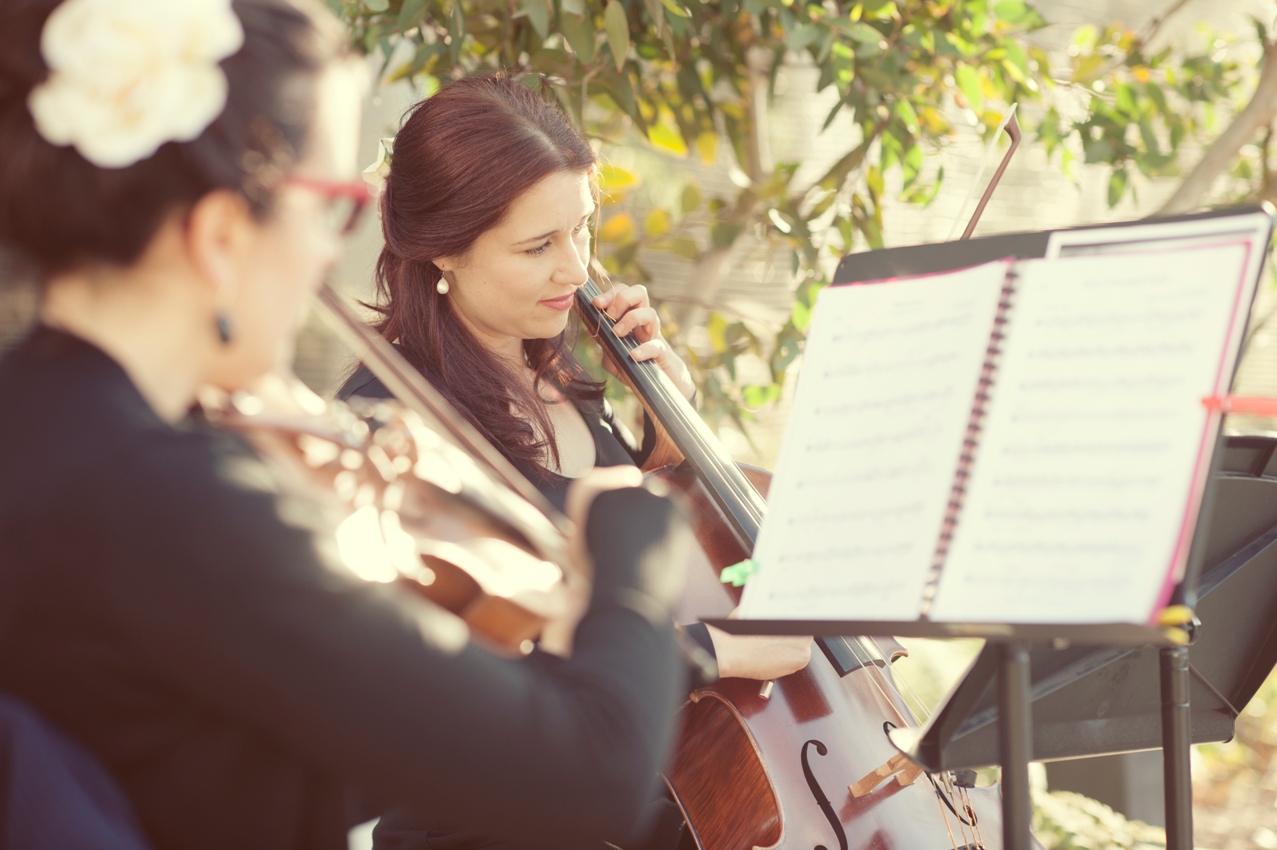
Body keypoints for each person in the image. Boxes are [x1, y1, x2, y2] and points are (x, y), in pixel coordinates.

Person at [0, 2, 695, 849]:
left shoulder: (40, 429)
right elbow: (590, 782)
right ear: (221, 233)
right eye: (330, 208)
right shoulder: (174, 500)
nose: (330, 254)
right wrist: (633, 547)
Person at [338, 74, 812, 850]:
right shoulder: (390, 426)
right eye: (538, 247)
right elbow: (461, 692)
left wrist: (667, 424)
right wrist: (712, 650)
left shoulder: (556, 364)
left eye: (581, 230)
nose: (575, 270)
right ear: (442, 250)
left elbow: (649, 566)